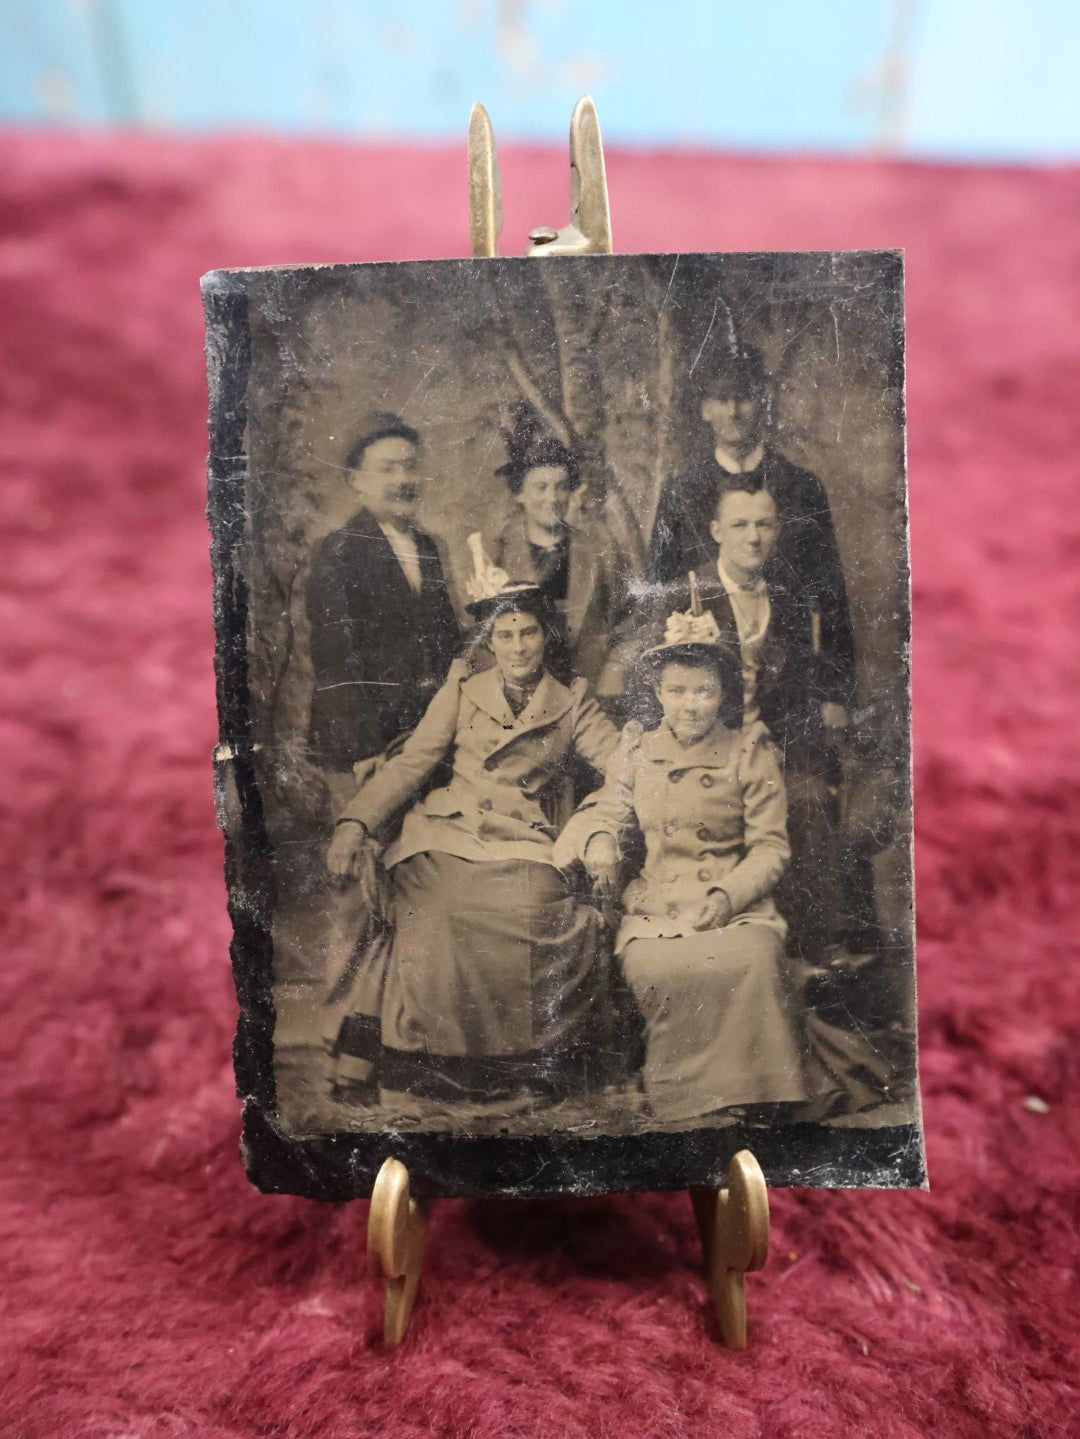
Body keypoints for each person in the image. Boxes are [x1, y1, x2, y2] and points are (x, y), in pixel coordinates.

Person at [324, 570, 619, 1120]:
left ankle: (510, 1073)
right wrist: (355, 822)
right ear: (488, 642)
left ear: (545, 636)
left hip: (524, 841)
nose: (517, 647)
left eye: (527, 633)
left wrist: (598, 825)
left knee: (530, 916)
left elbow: (624, 766)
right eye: (504, 636)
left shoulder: (572, 701)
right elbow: (413, 762)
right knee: (439, 916)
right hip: (447, 832)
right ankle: (428, 1075)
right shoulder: (462, 690)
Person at [554, 603, 817, 1126]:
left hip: (732, 903)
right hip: (660, 906)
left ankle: (755, 1096)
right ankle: (684, 1098)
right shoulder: (638, 746)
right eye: (676, 692)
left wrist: (726, 896)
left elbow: (771, 849)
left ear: (724, 694)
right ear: (657, 693)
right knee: (661, 966)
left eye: (703, 692)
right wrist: (601, 840)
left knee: (755, 959)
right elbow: (610, 808)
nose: (690, 706)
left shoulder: (749, 750)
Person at [647, 474, 854, 958]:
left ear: (778, 530)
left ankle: (818, 942)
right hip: (705, 745)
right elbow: (657, 686)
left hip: (769, 742)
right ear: (717, 530)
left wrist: (797, 748)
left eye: (764, 524)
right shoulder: (686, 594)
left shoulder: (788, 597)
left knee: (806, 793)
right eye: (740, 524)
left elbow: (798, 692)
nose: (754, 536)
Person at [645, 341, 856, 738]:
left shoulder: (800, 486)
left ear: (762, 402)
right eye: (721, 399)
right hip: (706, 688)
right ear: (705, 409)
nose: (733, 412)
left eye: (743, 398)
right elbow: (657, 588)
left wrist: (834, 693)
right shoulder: (681, 492)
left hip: (788, 683)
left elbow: (831, 596)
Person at [306, 411, 461, 790]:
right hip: (362, 744)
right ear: (356, 481)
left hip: (424, 741)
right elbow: (335, 658)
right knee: (361, 845)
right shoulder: (338, 551)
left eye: (410, 468)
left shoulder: (427, 547)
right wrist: (363, 749)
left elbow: (445, 642)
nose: (403, 481)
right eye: (388, 470)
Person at [487, 423, 629, 701]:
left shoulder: (600, 548)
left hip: (592, 694)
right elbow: (478, 636)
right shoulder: (497, 553)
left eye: (560, 487)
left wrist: (615, 668)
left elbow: (632, 618)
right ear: (519, 493)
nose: (552, 498)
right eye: (540, 487)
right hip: (519, 700)